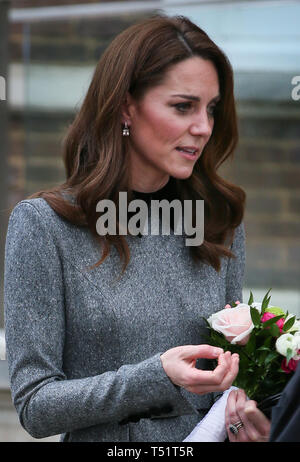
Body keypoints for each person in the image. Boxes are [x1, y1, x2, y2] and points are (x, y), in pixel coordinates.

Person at [4, 15, 244, 442]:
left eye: (211, 109)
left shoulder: (218, 221)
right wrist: (156, 376)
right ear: (125, 107)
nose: (204, 127)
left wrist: (248, 413)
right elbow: (35, 406)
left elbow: (235, 372)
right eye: (183, 106)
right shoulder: (45, 226)